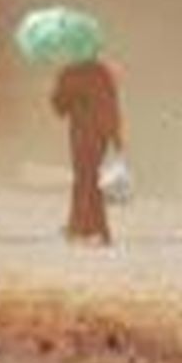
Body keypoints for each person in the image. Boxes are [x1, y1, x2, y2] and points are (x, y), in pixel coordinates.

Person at [51, 57, 123, 246]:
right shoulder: (103, 72)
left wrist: (58, 87)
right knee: (89, 179)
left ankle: (87, 229)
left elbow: (59, 107)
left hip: (82, 133)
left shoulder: (70, 72)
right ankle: (85, 227)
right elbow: (112, 104)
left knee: (85, 180)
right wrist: (116, 136)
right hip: (102, 134)